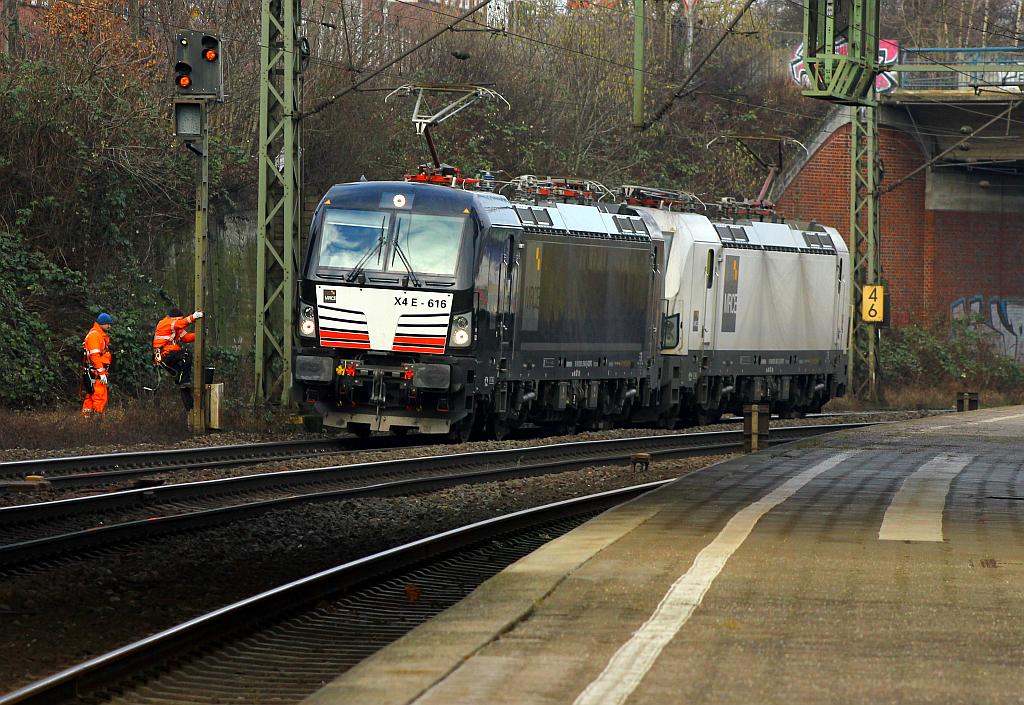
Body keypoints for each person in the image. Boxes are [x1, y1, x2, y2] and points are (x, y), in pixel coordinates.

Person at [152, 307, 204, 410]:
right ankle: (184, 381)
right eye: (179, 319)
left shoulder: (175, 327)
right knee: (186, 355)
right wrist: (194, 316)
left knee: (183, 381)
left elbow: (186, 338)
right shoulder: (167, 323)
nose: (180, 321)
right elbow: (181, 323)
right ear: (175, 318)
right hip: (165, 355)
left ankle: (190, 409)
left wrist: (201, 334)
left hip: (168, 355)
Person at [81, 313, 113, 415]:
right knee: (99, 396)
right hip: (96, 372)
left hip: (94, 371)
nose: (109, 326)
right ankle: (97, 421)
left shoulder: (97, 334)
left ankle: (85, 421)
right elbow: (95, 356)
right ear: (102, 323)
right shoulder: (95, 335)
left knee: (91, 396)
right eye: (108, 324)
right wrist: (101, 373)